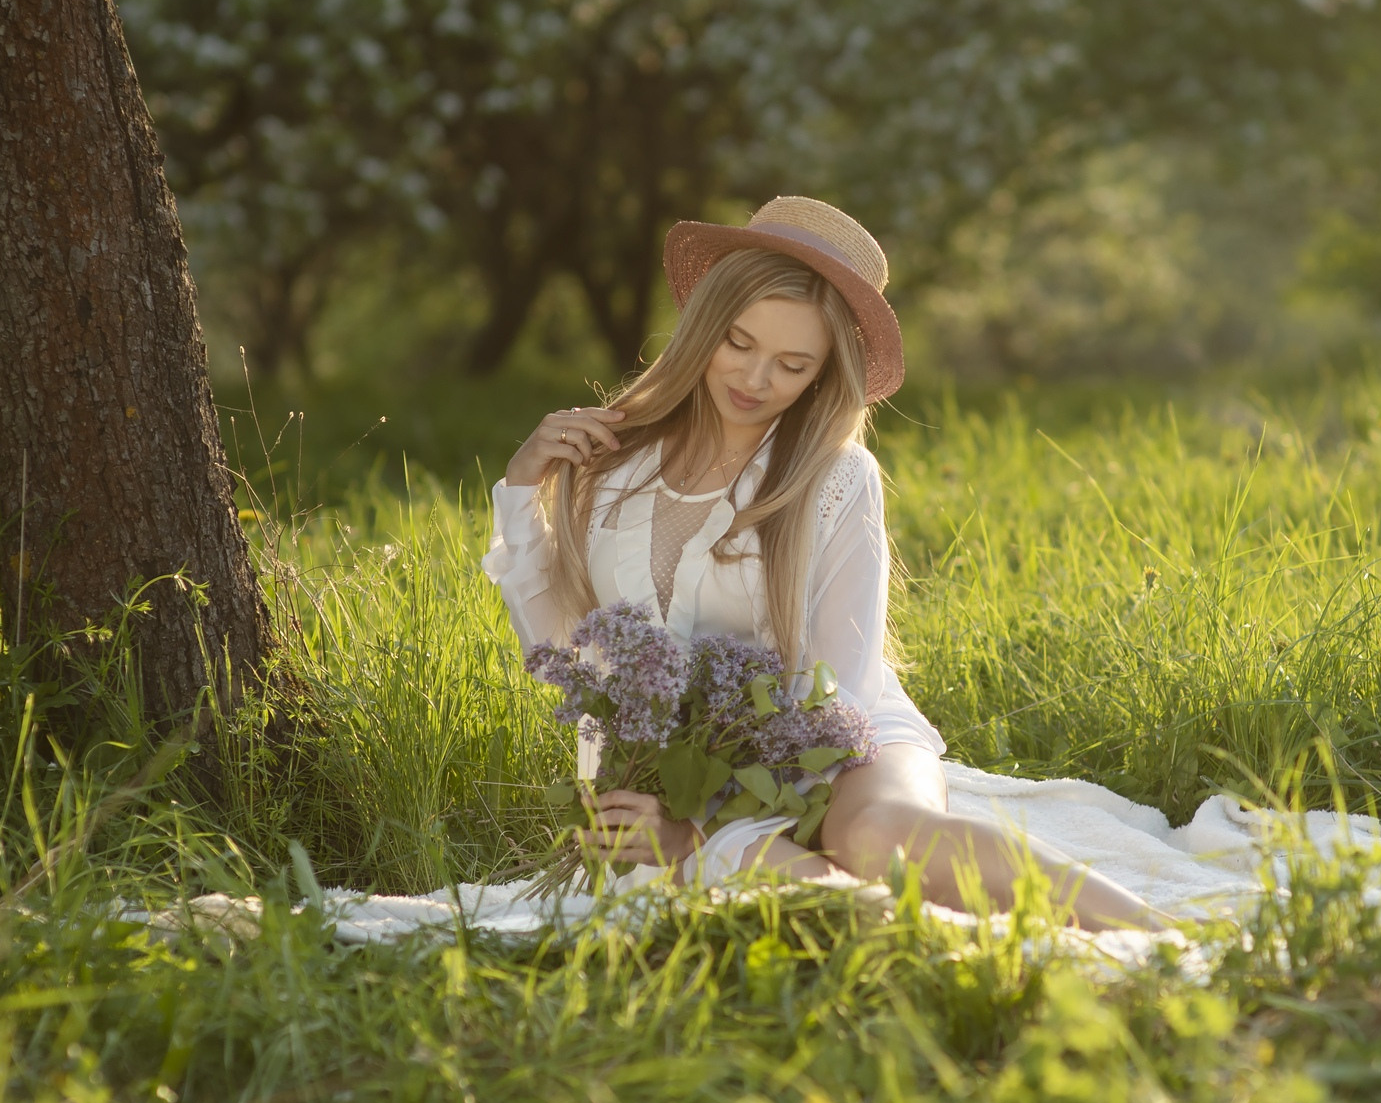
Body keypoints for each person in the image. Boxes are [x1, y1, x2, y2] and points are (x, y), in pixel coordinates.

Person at [483, 196, 1160, 930]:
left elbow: (839, 695)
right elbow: (570, 657)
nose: (755, 378)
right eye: (738, 342)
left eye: (792, 363)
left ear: (822, 374)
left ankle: (1170, 939)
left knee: (872, 839)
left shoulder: (836, 476)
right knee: (824, 904)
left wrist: (703, 830)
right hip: (682, 771)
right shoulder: (610, 465)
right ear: (705, 325)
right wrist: (523, 494)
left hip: (836, 745)